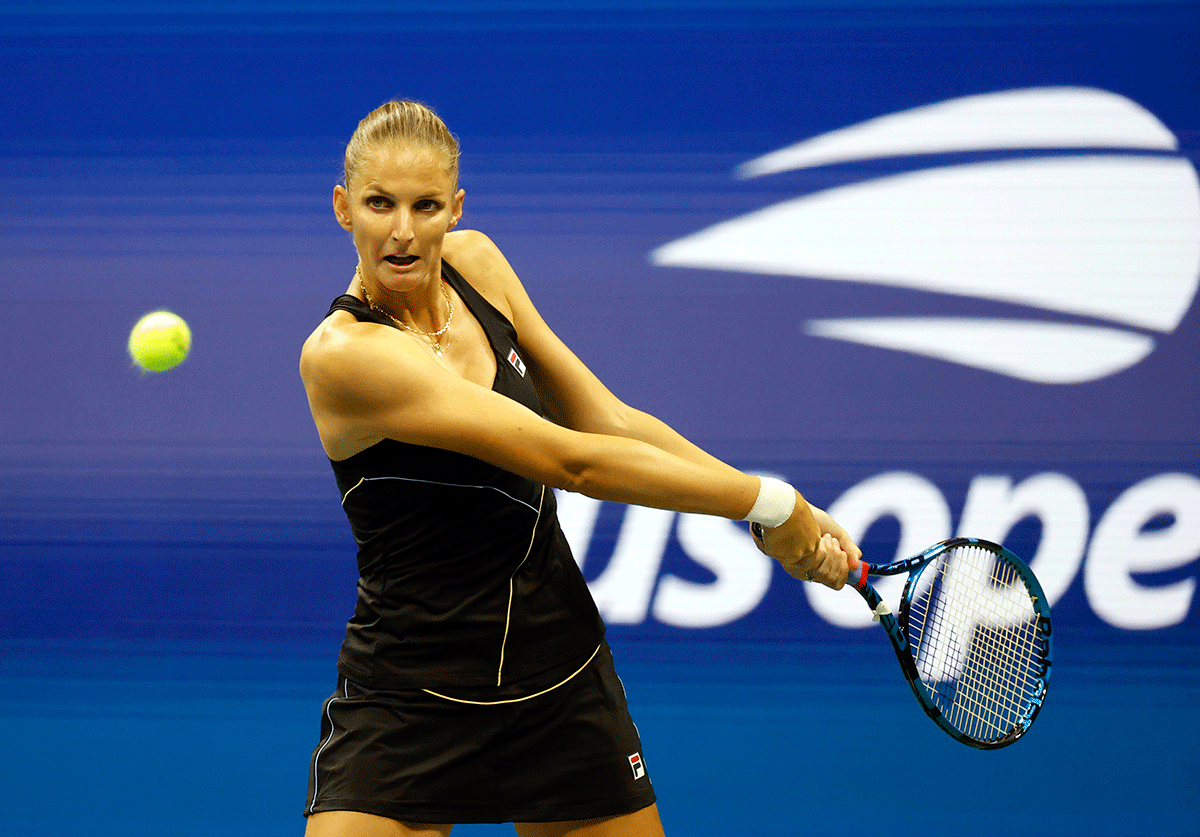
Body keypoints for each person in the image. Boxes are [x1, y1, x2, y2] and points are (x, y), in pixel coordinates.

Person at [298, 99, 862, 837]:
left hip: (558, 673)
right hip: (410, 691)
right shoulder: (345, 356)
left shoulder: (480, 266)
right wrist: (775, 505)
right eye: (379, 204)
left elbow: (609, 420)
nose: (402, 231)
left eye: (425, 205)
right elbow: (573, 460)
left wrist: (774, 514)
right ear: (344, 207)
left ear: (455, 208)